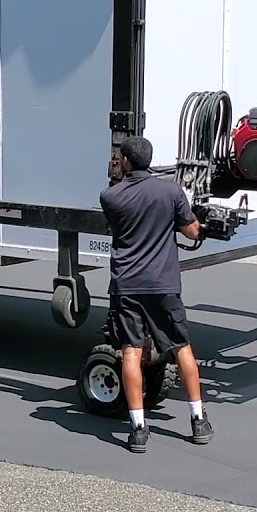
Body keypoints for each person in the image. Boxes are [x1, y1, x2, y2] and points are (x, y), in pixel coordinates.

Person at [99, 135, 214, 454]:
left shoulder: (110, 196)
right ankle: (198, 421)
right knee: (182, 348)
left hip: (128, 285)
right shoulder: (171, 191)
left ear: (125, 161)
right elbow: (192, 231)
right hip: (164, 285)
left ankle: (137, 428)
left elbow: (119, 226)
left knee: (131, 352)